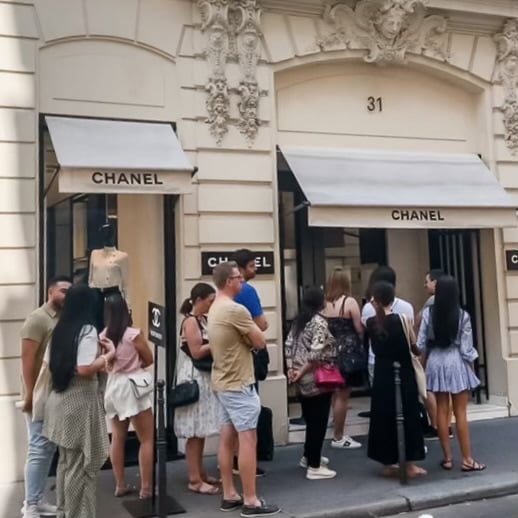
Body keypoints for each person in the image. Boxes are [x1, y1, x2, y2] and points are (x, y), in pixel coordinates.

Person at [208, 262, 280, 517]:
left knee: (226, 439)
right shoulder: (235, 310)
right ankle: (251, 500)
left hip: (222, 380)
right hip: (239, 382)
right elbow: (260, 339)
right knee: (248, 439)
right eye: (239, 278)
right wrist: (249, 341)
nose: (242, 282)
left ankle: (229, 494)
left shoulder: (214, 308)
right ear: (229, 281)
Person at [43, 284, 114, 518]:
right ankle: (77, 514)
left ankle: (65, 510)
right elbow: (84, 368)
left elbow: (50, 364)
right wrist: (107, 356)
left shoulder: (60, 328)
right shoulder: (87, 330)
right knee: (79, 466)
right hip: (79, 402)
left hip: (58, 400)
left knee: (65, 463)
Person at [417, 275, 485, 472]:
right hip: (455, 361)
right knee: (461, 412)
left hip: (436, 361)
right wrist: (471, 370)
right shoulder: (462, 315)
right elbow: (467, 349)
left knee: (441, 410)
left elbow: (421, 343)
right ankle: (467, 459)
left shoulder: (429, 314)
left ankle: (447, 458)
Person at [20, 275, 72, 518]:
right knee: (39, 448)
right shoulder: (37, 319)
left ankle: (38, 499)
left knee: (47, 448)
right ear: (50, 292)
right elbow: (27, 360)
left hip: (57, 394)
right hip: (40, 395)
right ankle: (30, 504)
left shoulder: (65, 319)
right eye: (62, 291)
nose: (66, 295)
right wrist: (30, 395)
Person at [366, 281, 426, 478]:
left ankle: (386, 462)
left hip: (383, 374)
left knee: (384, 416)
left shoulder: (371, 323)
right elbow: (414, 347)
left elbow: (374, 349)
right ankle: (409, 464)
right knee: (408, 415)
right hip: (404, 372)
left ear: (375, 300)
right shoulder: (403, 320)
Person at [101, 294, 154, 499]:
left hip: (114, 385)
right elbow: (148, 358)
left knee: (117, 436)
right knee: (146, 438)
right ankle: (146, 488)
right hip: (133, 386)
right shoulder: (133, 334)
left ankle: (120, 484)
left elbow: (105, 363)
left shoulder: (103, 335)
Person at [285, 287, 337, 480]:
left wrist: (291, 369)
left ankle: (308, 456)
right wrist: (302, 371)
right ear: (320, 302)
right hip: (316, 377)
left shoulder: (299, 321)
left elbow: (288, 346)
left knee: (310, 418)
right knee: (319, 421)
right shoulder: (319, 322)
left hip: (299, 378)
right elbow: (315, 355)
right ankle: (314, 466)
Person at [174, 283, 221, 495]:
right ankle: (194, 478)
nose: (213, 304)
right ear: (199, 299)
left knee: (199, 429)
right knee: (194, 431)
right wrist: (217, 342)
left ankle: (200, 472)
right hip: (194, 377)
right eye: (210, 300)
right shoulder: (191, 321)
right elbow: (196, 351)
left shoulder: (202, 319)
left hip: (202, 377)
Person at [233, 248, 269, 476]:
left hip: (228, 360)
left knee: (230, 421)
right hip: (246, 358)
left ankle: (233, 463)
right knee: (247, 419)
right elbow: (263, 324)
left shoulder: (223, 292)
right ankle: (245, 466)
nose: (256, 269)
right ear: (244, 267)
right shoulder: (247, 291)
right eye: (254, 266)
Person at [322, 267, 363, 450]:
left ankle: (335, 424)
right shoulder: (350, 302)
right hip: (348, 353)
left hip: (331, 353)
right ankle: (339, 436)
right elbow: (359, 328)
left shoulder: (325, 304)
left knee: (335, 393)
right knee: (343, 396)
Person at [415, 269, 453, 440]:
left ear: (436, 283)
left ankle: (436, 425)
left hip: (433, 350)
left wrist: (418, 351)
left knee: (428, 387)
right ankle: (447, 425)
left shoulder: (432, 301)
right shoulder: (452, 302)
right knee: (447, 391)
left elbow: (419, 321)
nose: (424, 285)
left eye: (426, 281)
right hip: (451, 352)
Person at [362, 266, 414, 388]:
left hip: (376, 361)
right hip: (403, 360)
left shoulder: (368, 310)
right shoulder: (407, 307)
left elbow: (366, 332)